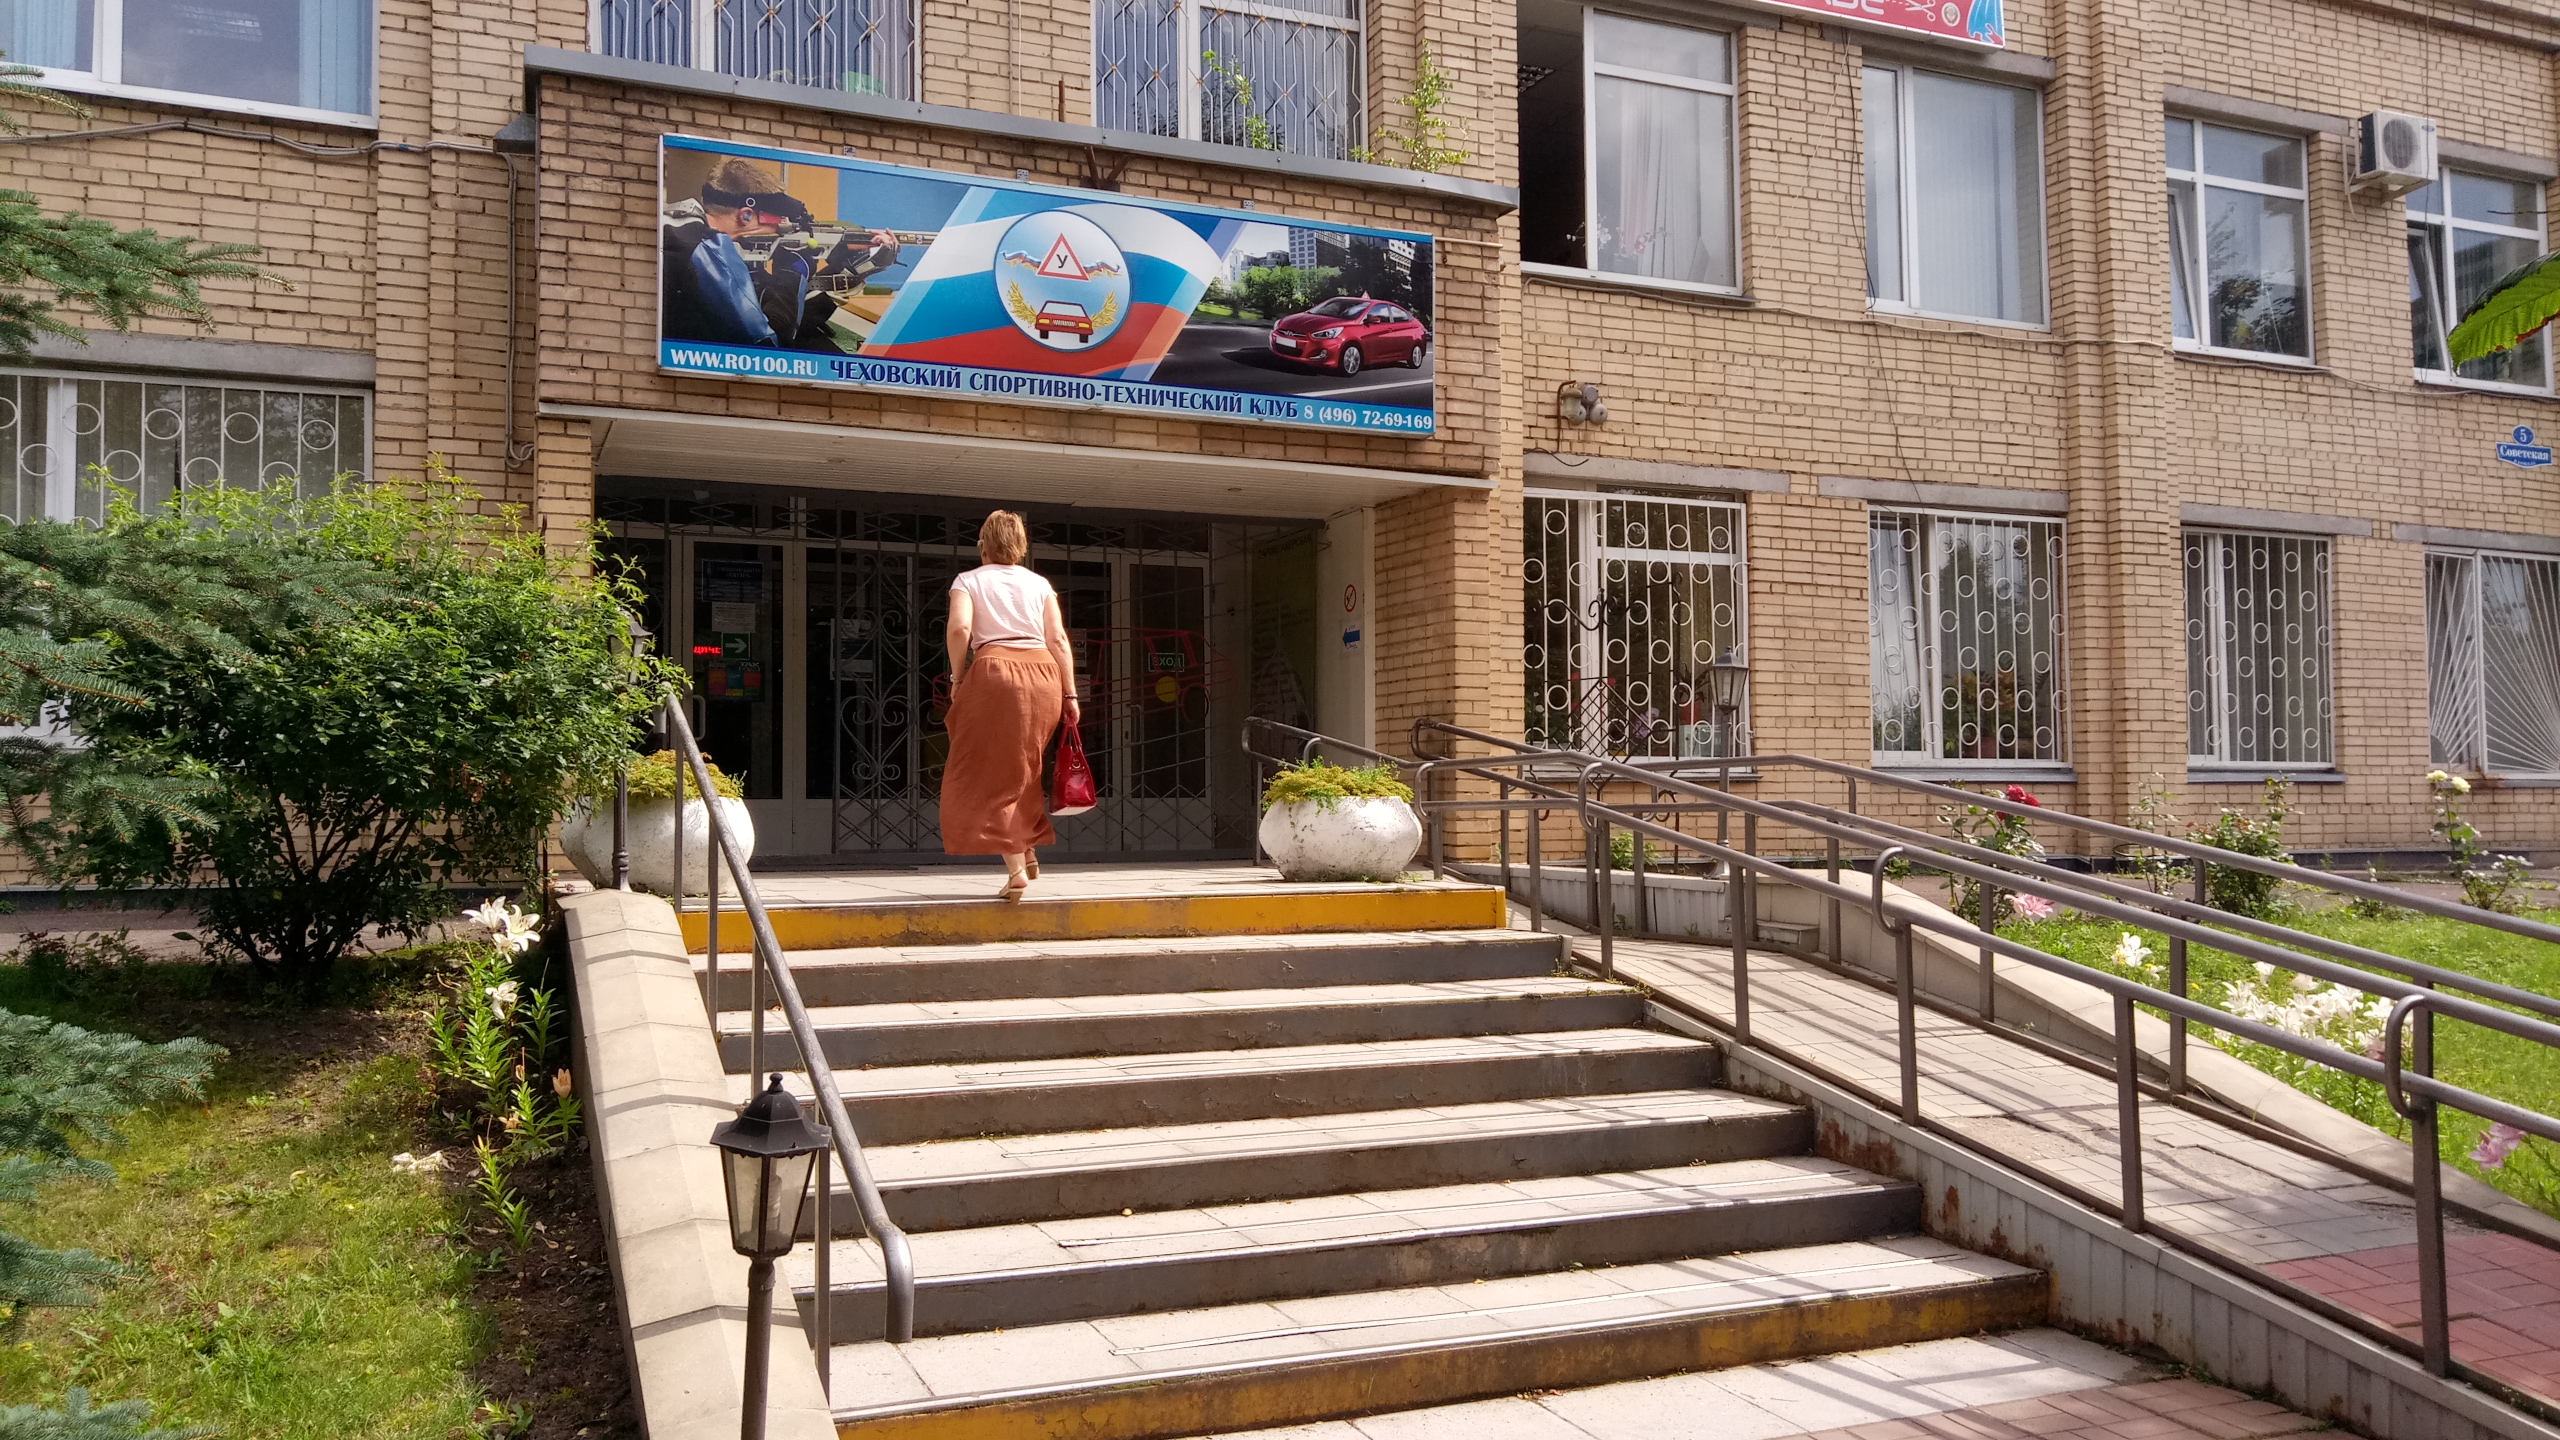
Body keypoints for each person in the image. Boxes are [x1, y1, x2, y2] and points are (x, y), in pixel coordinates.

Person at [941, 511, 1080, 898]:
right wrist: (1070, 693)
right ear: (1021, 545)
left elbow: (960, 629)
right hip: (1045, 675)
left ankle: (1016, 868)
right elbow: (1058, 639)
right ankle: (1027, 846)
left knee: (990, 770)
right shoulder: (1040, 584)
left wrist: (957, 677)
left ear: (983, 545)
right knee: (1024, 764)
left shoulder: (968, 580)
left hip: (997, 672)